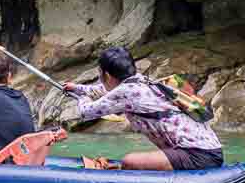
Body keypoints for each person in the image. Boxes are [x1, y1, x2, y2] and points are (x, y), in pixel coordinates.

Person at [63, 47, 223, 171]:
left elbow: (86, 112)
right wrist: (77, 88)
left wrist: (80, 97)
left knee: (130, 161)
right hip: (210, 150)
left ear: (107, 75)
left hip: (198, 155)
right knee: (132, 161)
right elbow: (106, 91)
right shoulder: (141, 81)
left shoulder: (126, 91)